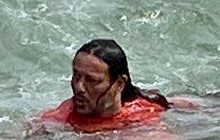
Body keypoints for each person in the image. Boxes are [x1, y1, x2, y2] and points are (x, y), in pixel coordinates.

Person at [36, 39, 176, 133]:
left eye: (91, 80)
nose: (79, 87)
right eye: (76, 76)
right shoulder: (59, 119)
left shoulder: (146, 115)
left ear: (119, 83)